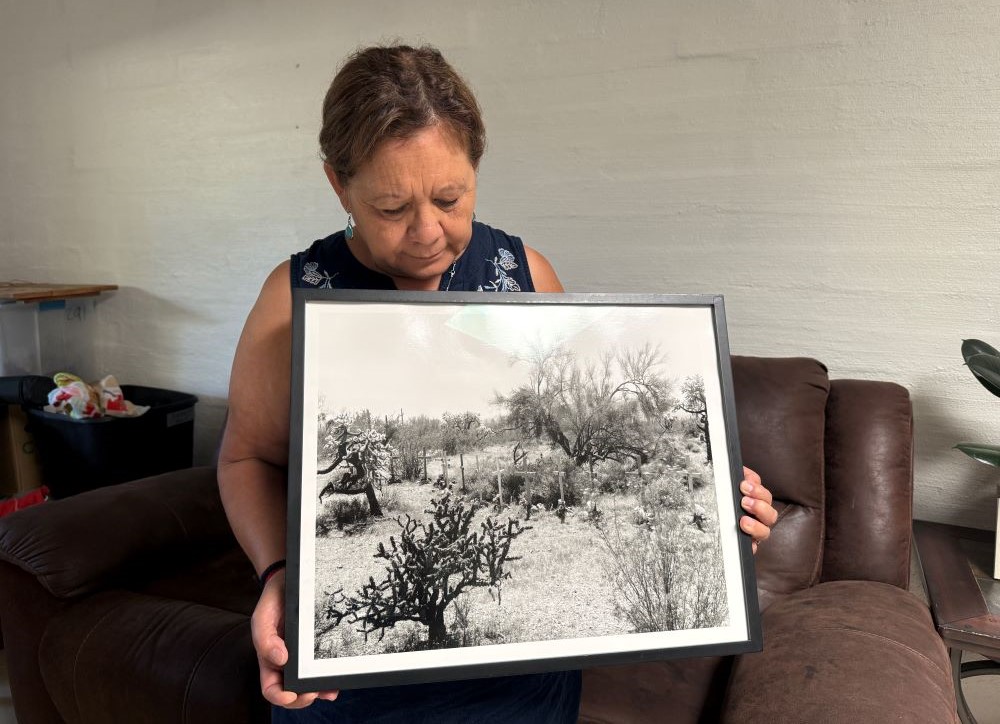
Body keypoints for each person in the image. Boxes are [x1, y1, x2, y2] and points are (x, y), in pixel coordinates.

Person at [217, 44, 778, 724]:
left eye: (450, 198)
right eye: (392, 208)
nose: (428, 233)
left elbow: (589, 425)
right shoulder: (294, 295)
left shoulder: (526, 275)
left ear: (476, 168)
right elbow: (247, 455)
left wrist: (716, 509)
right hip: (349, 687)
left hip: (520, 685)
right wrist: (278, 576)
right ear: (340, 185)